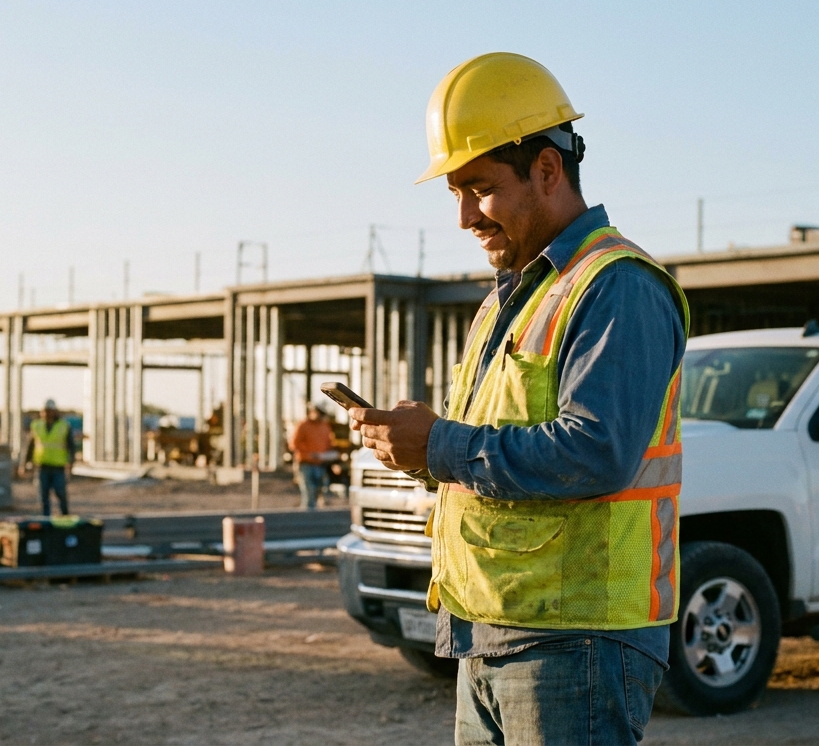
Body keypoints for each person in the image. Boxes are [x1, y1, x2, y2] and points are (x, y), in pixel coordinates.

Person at [350, 53, 688, 746]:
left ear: (547, 169)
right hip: (490, 630)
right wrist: (418, 451)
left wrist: (439, 444)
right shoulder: (508, 300)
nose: (465, 217)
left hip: (578, 638)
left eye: (480, 189)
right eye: (455, 194)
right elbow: (491, 447)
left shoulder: (616, 285)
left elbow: (596, 452)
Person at [23, 399, 73, 516]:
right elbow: (30, 446)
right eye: (45, 411)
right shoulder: (36, 425)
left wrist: (71, 463)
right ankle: (46, 518)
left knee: (60, 492)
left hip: (58, 466)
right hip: (42, 466)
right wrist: (24, 463)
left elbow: (71, 446)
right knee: (43, 495)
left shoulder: (64, 426)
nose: (47, 413)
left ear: (55, 411)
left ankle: (65, 516)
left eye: (50, 411)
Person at [289, 404, 335, 509]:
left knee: (320, 490)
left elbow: (329, 444)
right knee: (308, 491)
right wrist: (308, 454)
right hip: (305, 463)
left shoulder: (325, 426)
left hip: (320, 464)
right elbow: (294, 444)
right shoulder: (303, 425)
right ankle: (307, 512)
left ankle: (316, 513)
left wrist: (330, 455)